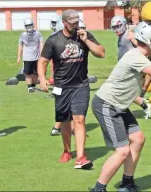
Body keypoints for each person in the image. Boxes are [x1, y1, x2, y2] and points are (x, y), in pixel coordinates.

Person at [88, 20, 151, 192]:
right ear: (150, 40)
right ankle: (98, 188)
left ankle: (127, 182)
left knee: (138, 139)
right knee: (122, 150)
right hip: (106, 105)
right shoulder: (136, 57)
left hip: (119, 106)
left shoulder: (140, 56)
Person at [38, 9, 105, 169]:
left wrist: (86, 40)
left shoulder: (85, 35)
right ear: (65, 23)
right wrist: (41, 78)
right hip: (61, 87)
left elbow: (101, 53)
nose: (76, 25)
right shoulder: (53, 40)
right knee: (65, 121)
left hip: (81, 85)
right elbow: (42, 61)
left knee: (79, 119)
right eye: (73, 23)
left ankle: (81, 157)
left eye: (77, 22)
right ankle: (67, 151)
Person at [110, 15, 151, 119]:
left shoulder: (129, 35)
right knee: (124, 91)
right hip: (124, 68)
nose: (116, 29)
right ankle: (144, 105)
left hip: (132, 69)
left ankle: (123, 110)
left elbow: (142, 49)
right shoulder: (121, 36)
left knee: (122, 90)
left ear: (124, 24)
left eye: (118, 26)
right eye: (114, 27)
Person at [17, 18, 44, 93]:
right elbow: (20, 46)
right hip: (27, 58)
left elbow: (41, 44)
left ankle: (33, 87)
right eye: (27, 25)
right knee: (28, 73)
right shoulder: (23, 35)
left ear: (33, 24)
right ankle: (29, 87)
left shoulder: (38, 33)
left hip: (37, 57)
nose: (29, 27)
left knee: (36, 73)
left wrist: (42, 55)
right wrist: (19, 56)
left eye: (30, 25)